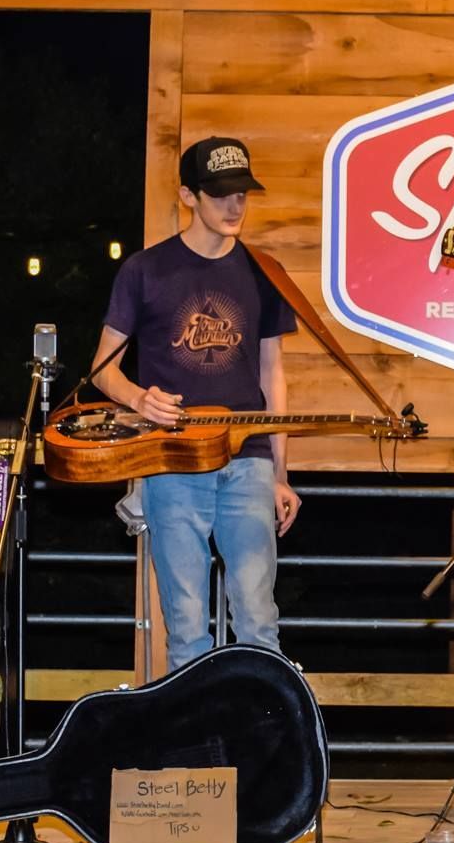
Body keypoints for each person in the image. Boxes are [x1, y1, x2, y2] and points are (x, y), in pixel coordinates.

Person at [91, 136, 299, 673]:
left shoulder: (265, 271)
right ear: (188, 195)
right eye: (220, 194)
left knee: (259, 617)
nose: (234, 205)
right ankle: (195, 725)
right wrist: (140, 398)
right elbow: (101, 370)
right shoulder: (145, 270)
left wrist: (280, 473)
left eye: (242, 194)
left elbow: (272, 373)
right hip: (172, 462)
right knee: (185, 625)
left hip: (248, 459)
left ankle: (260, 721)